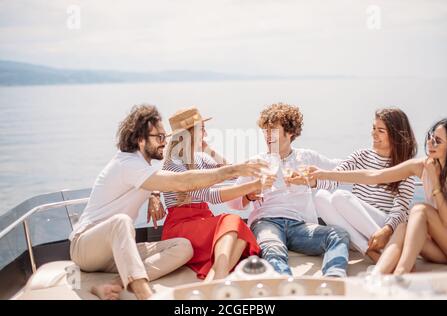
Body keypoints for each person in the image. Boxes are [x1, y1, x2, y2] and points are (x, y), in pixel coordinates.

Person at [69, 104, 267, 300]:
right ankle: (144, 295)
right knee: (122, 221)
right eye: (159, 137)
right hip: (87, 247)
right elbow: (181, 182)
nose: (165, 142)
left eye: (165, 136)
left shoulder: (146, 166)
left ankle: (111, 285)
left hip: (114, 250)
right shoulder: (128, 164)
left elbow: (157, 180)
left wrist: (154, 194)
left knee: (183, 247)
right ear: (140, 140)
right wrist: (239, 173)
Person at [310, 117, 447, 275]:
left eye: (438, 141)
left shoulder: (430, 170)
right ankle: (379, 277)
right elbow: (373, 175)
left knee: (419, 209)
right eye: (431, 137)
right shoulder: (421, 166)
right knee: (403, 226)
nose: (431, 143)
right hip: (439, 249)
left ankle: (401, 273)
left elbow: (446, 220)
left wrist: (435, 184)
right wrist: (322, 174)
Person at [228, 102, 350, 277]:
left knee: (338, 234)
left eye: (273, 130)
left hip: (301, 225)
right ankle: (286, 286)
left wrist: (313, 180)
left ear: (290, 132)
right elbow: (232, 202)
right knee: (273, 249)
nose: (268, 135)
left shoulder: (307, 157)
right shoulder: (257, 162)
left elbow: (339, 173)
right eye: (265, 130)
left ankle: (334, 278)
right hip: (267, 222)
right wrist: (249, 195)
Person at [158, 107, 276, 281]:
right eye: (202, 129)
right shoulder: (172, 165)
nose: (205, 134)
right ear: (190, 133)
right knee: (233, 221)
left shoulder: (199, 158)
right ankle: (219, 277)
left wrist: (209, 151)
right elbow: (210, 195)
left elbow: (231, 172)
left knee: (241, 233)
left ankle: (214, 279)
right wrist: (256, 184)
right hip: (181, 227)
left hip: (202, 222)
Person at [309, 108, 417, 262]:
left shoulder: (404, 166)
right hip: (357, 230)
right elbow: (335, 177)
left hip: (382, 228)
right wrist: (313, 180)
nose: (374, 134)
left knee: (340, 196)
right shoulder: (361, 156)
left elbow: (401, 207)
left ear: (395, 135)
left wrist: (386, 230)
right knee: (320, 196)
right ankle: (369, 251)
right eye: (373, 128)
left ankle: (382, 247)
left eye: (380, 130)